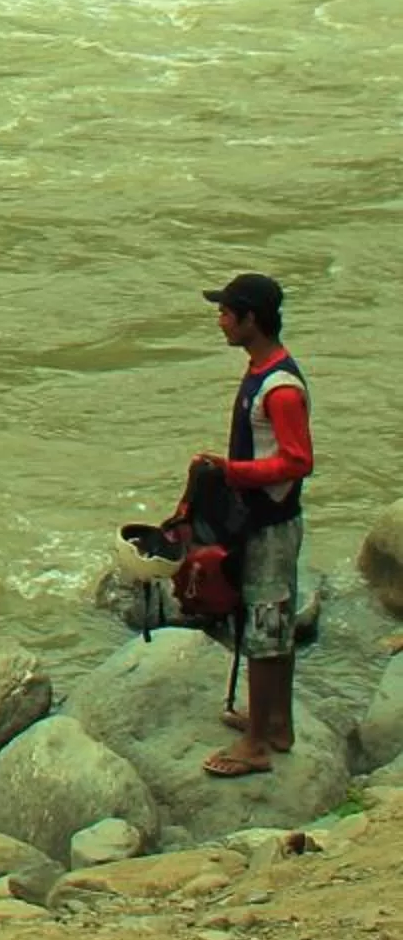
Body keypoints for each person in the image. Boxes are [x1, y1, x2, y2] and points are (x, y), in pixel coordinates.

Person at [192, 272, 313, 779]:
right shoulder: (259, 369)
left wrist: (232, 470)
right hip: (261, 521)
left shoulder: (280, 389)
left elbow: (298, 460)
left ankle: (257, 743)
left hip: (271, 526)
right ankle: (275, 722)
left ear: (251, 320)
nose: (219, 320)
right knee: (272, 626)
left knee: (265, 630)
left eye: (226, 312)